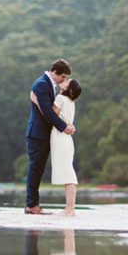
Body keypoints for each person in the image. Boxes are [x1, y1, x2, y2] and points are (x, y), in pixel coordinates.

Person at [25, 59, 75, 214]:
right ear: (55, 72)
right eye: (63, 77)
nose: (64, 80)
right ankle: (32, 205)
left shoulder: (49, 85)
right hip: (37, 133)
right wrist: (64, 127)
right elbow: (47, 112)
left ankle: (33, 204)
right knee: (35, 168)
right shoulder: (42, 84)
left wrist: (66, 125)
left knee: (38, 169)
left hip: (44, 133)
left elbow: (52, 111)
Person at [32, 77, 82, 216]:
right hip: (67, 139)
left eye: (67, 82)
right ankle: (70, 208)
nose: (64, 81)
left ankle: (69, 209)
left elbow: (49, 116)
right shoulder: (71, 101)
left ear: (68, 88)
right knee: (69, 173)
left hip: (60, 138)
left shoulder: (60, 98)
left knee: (68, 175)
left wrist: (36, 101)